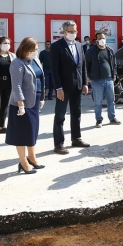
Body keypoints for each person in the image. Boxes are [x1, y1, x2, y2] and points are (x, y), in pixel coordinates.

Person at [50, 21, 90, 154]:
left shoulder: (79, 45)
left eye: (75, 31)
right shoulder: (56, 46)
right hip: (63, 87)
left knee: (76, 114)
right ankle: (58, 144)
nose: (73, 33)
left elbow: (82, 66)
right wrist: (58, 88)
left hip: (77, 86)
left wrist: (85, 83)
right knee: (60, 116)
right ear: (64, 32)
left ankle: (76, 138)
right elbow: (54, 69)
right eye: (70, 31)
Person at [7, 37, 45, 174]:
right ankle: (23, 162)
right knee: (22, 134)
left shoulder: (35, 60)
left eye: (36, 49)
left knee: (32, 131)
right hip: (22, 104)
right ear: (24, 49)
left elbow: (41, 78)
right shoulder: (17, 63)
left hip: (35, 101)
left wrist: (42, 97)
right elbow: (16, 85)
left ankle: (32, 158)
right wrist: (20, 104)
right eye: (32, 50)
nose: (35, 52)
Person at [85, 31, 122, 127]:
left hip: (109, 79)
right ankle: (99, 120)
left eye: (103, 38)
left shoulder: (110, 50)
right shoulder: (91, 51)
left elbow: (114, 64)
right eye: (100, 38)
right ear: (96, 40)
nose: (102, 40)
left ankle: (112, 118)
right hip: (96, 80)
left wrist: (114, 75)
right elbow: (86, 65)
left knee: (111, 101)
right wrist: (88, 76)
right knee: (98, 102)